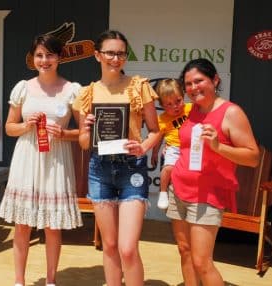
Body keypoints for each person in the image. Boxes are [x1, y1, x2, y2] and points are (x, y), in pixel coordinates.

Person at [74, 30, 160, 286]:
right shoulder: (87, 94)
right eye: (110, 52)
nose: (116, 58)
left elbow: (155, 131)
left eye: (121, 53)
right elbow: (83, 142)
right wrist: (87, 128)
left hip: (131, 170)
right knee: (109, 245)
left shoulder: (139, 87)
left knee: (127, 248)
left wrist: (143, 147)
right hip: (99, 169)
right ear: (97, 55)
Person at [0, 34, 83, 286]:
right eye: (39, 55)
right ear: (32, 58)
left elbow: (84, 133)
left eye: (50, 55)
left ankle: (51, 281)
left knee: (52, 225)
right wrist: (25, 126)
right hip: (27, 159)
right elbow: (9, 127)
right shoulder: (23, 87)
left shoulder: (72, 90)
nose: (44, 60)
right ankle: (19, 281)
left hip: (56, 161)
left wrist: (64, 133)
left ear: (59, 57)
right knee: (22, 224)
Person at [168, 58, 259, 286]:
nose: (193, 88)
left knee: (202, 262)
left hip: (207, 196)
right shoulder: (192, 111)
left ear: (215, 80)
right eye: (188, 84)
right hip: (178, 189)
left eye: (199, 81)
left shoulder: (231, 112)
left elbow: (253, 157)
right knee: (185, 251)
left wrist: (219, 146)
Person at [151, 79, 192, 209]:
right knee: (168, 168)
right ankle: (163, 192)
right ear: (162, 105)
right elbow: (158, 138)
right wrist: (155, 153)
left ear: (183, 96)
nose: (175, 106)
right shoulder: (162, 119)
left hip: (193, 148)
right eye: (169, 104)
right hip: (174, 148)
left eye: (178, 101)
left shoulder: (191, 108)